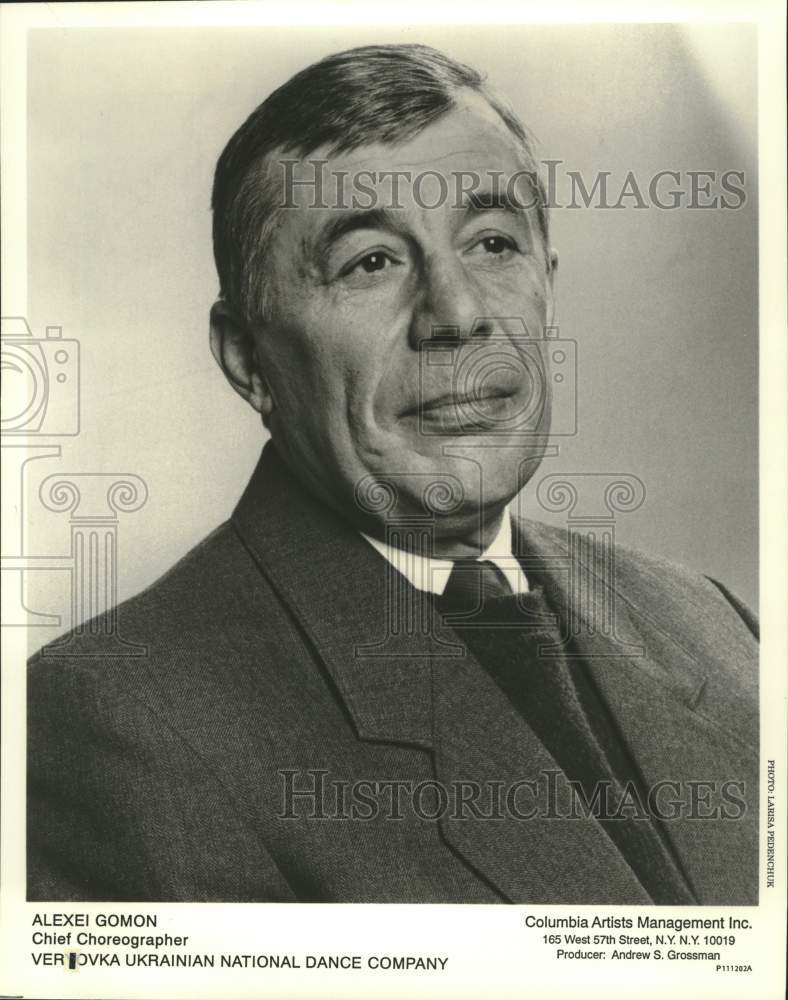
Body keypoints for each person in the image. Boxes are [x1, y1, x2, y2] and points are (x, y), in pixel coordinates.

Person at [28, 43, 758, 904]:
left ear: (548, 285)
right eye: (371, 262)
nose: (458, 314)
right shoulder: (119, 725)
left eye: (492, 243)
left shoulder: (713, 623)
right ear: (247, 358)